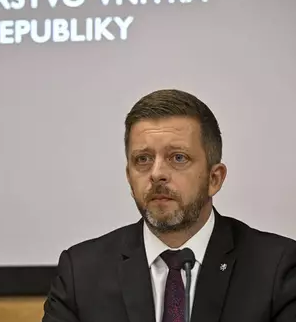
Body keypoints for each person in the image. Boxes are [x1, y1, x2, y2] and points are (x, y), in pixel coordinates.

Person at [42, 89, 296, 322]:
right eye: (143, 159)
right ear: (129, 176)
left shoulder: (276, 268)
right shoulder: (82, 272)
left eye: (178, 158)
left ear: (214, 178)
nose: (157, 174)